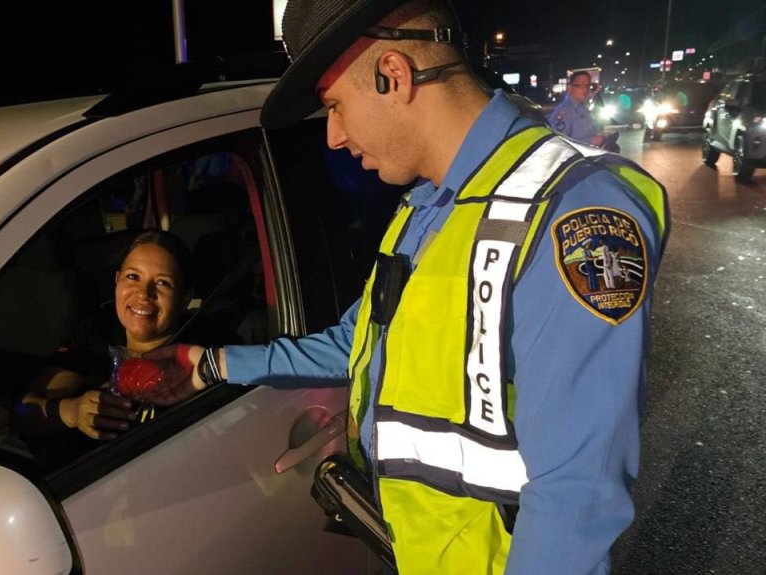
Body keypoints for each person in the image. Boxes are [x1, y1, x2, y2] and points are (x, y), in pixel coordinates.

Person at [139, 1, 670, 574]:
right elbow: (360, 342)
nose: (334, 137)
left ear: (393, 75)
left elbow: (576, 492)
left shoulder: (572, 211)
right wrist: (209, 365)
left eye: (335, 107)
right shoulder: (427, 206)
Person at [15, 229, 194, 449]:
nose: (143, 294)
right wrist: (72, 411)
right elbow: (25, 412)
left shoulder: (200, 350)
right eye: (133, 277)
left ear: (185, 298)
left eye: (162, 283)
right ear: (117, 281)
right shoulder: (99, 329)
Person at [550, 70, 609, 147]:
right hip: (577, 158)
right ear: (569, 88)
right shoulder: (564, 112)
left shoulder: (583, 107)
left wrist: (602, 135)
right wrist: (591, 141)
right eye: (580, 85)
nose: (585, 89)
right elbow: (558, 143)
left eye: (587, 86)